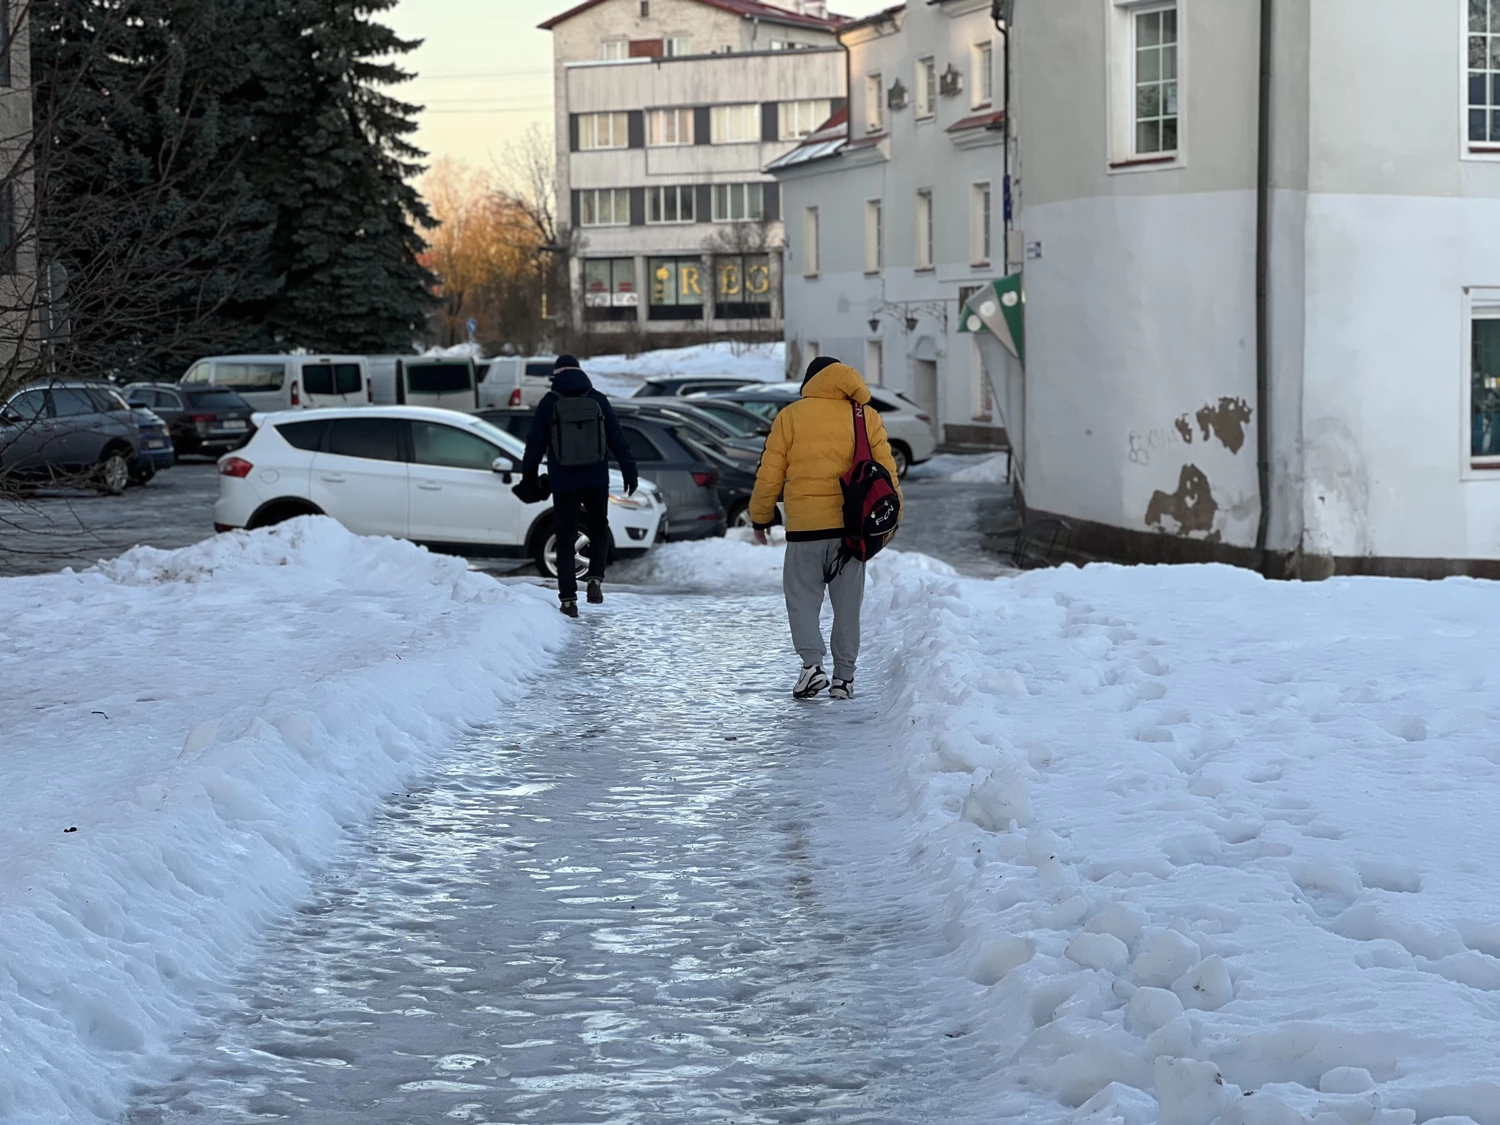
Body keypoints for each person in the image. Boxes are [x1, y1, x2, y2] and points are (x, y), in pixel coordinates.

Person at [748, 356, 902, 700]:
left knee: (802, 600)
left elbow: (770, 472)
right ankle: (844, 680)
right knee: (848, 607)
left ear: (810, 382)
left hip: (806, 529)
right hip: (853, 529)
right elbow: (887, 473)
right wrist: (892, 521)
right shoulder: (865, 416)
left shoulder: (790, 417)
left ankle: (812, 666)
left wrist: (761, 516)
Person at [522, 355, 637, 617]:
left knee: (565, 536)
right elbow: (618, 438)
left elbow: (534, 444)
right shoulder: (597, 399)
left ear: (557, 375)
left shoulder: (550, 403)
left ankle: (568, 599)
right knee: (599, 527)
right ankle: (595, 578)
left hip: (564, 481)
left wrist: (528, 477)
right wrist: (630, 471)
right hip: (596, 478)